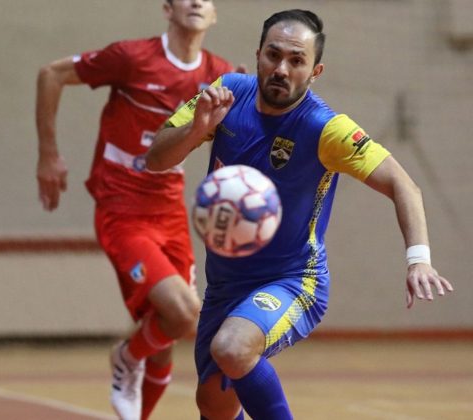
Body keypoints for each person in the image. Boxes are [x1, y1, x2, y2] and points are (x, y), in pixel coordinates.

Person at [146, 9, 454, 419]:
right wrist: (196, 128)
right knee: (213, 404)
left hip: (293, 281)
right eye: (273, 55)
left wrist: (419, 260)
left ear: (315, 71)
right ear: (258, 54)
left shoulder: (325, 128)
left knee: (232, 348)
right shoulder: (226, 93)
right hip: (223, 286)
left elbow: (404, 185)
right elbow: (155, 159)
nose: (281, 69)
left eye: (296, 60)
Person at [35, 1, 243, 418]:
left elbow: (238, 133)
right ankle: (126, 356)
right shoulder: (132, 57)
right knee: (183, 313)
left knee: (165, 332)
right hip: (122, 209)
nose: (196, 2)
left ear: (215, 13)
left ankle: (137, 391)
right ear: (167, 8)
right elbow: (51, 74)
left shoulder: (221, 76)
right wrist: (48, 154)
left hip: (170, 211)